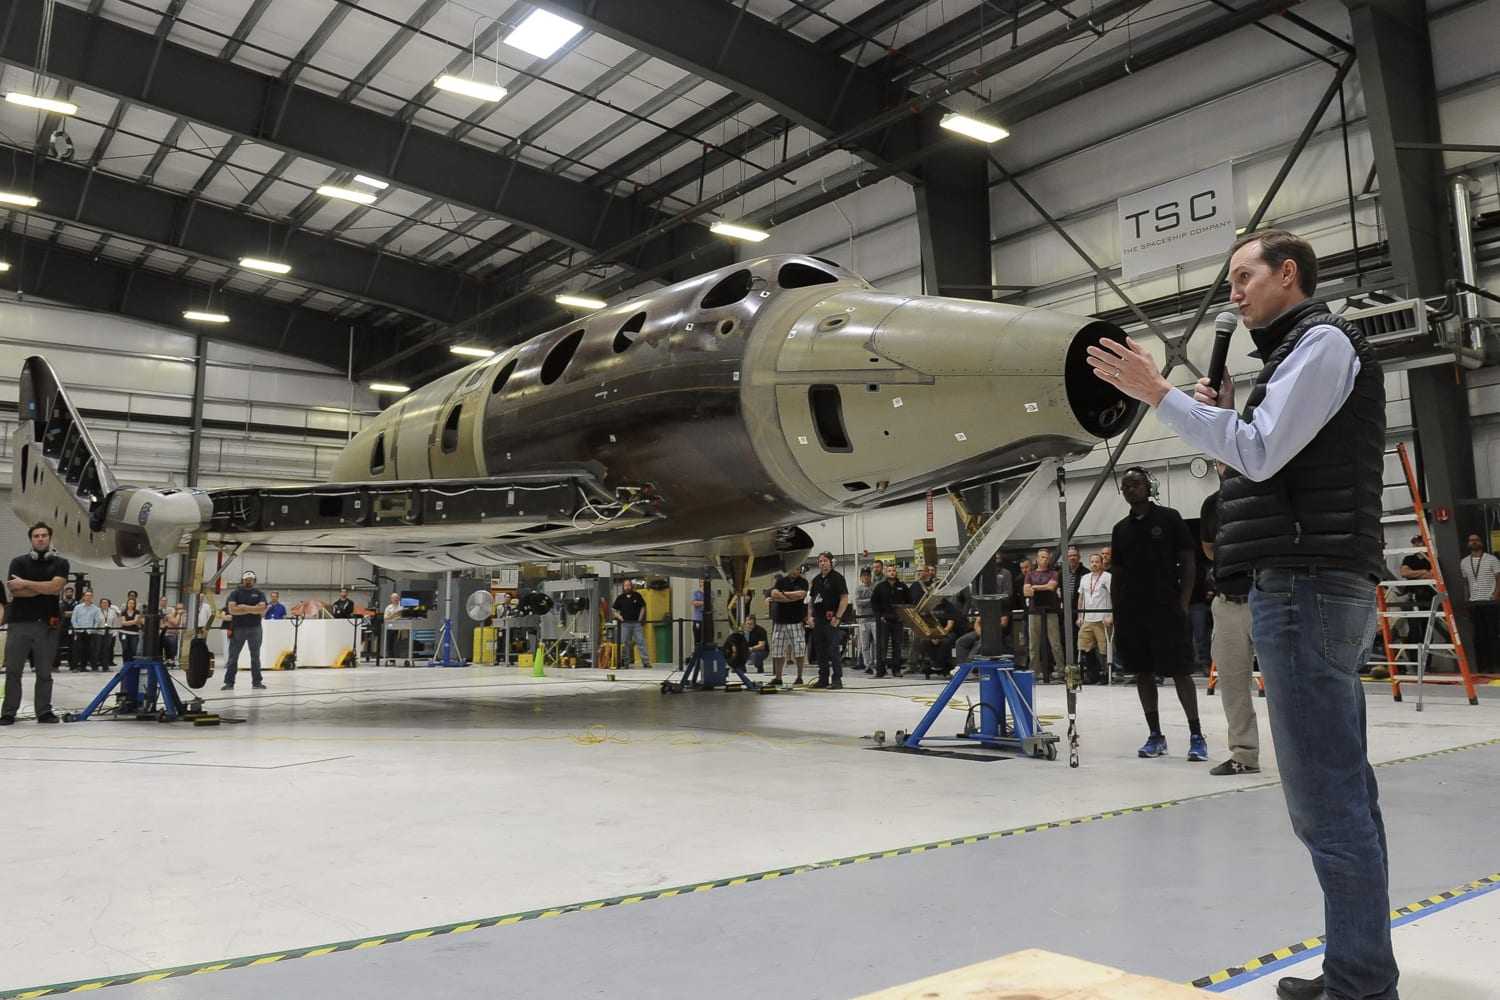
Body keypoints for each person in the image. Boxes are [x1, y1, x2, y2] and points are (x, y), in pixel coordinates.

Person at [1089, 228, 1395, 1000]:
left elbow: (1258, 454)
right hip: (1307, 585)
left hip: (1306, 588)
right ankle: (1359, 971)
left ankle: (1361, 987)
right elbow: (1265, 460)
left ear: (1288, 275)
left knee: (1326, 801)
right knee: (1342, 792)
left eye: (1243, 277)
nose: (1234, 293)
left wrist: (1159, 395)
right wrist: (1221, 418)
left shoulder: (1321, 345)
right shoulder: (1297, 356)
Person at [1108, 469, 1205, 760]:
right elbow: (1117, 574)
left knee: (1180, 671)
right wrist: (1118, 611)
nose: (1130, 489)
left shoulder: (1170, 518)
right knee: (1143, 672)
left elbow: (1188, 562)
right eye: (1125, 486)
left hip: (1167, 608)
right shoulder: (1120, 529)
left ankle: (1196, 736)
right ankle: (1155, 735)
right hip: (1133, 612)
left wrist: (1183, 602)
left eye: (1135, 484)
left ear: (1148, 487)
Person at [1201, 464, 1260, 776]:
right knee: (1233, 684)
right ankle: (1244, 754)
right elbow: (1209, 548)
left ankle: (1300, 756)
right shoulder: (1212, 504)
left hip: (1264, 597)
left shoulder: (1265, 493)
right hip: (1226, 602)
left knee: (1285, 684)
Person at [1, 523, 69, 724]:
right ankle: (8, 712)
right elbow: (15, 591)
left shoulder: (61, 563)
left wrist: (26, 583)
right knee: (13, 671)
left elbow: (56, 587)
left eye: (44, 535)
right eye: (36, 536)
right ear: (31, 539)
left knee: (45, 672)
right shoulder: (18, 562)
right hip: (19, 624)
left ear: (50, 538)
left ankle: (44, 711)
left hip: (47, 625)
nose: (40, 539)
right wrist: (45, 588)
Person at [807, 552, 850, 689]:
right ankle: (823, 679)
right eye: (820, 561)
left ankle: (837, 679)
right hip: (818, 619)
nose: (822, 563)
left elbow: (844, 598)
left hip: (832, 619)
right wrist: (810, 616)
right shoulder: (816, 580)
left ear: (831, 562)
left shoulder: (838, 578)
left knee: (833, 650)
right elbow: (811, 600)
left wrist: (838, 617)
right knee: (820, 651)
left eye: (825, 560)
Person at [1459, 532, 1500, 672]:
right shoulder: (1464, 562)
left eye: (1476, 540)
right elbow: (1465, 583)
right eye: (1471, 540)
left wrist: (1496, 595)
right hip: (1474, 603)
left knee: (1492, 634)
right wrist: (1466, 599)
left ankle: (1496, 665)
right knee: (1478, 636)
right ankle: (1482, 667)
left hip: (1489, 602)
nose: (1474, 542)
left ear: (1481, 542)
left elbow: (1499, 578)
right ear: (1468, 544)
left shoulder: (1492, 559)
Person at [223, 570, 269, 690]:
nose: (248, 582)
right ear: (242, 580)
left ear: (254, 581)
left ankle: (257, 682)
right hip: (238, 628)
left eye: (250, 580)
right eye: (246, 580)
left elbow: (262, 609)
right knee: (233, 657)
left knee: (255, 656)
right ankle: (229, 683)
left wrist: (243, 607)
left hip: (255, 628)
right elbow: (232, 610)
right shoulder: (235, 593)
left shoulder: (259, 593)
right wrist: (253, 609)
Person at [1024, 549, 1065, 683]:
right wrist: (1042, 587)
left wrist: (1035, 588)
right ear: (1037, 559)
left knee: (1055, 642)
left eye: (1047, 558)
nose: (1045, 560)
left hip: (1051, 610)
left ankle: (1061, 671)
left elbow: (1051, 587)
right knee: (1033, 643)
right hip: (1034, 611)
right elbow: (1026, 592)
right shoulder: (1030, 574)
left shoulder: (1054, 573)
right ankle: (1034, 672)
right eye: (1042, 557)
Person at [766, 565, 809, 687]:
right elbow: (774, 594)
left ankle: (799, 677)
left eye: (797, 569)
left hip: (796, 622)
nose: (795, 571)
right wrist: (791, 598)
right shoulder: (781, 581)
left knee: (799, 650)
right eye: (793, 568)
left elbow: (801, 594)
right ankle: (778, 677)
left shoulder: (803, 582)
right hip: (780, 622)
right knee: (778, 651)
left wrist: (783, 594)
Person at [1077, 552, 1112, 685]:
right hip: (1087, 618)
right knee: (1084, 646)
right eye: (1092, 562)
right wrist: (1080, 616)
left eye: (1097, 562)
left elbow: (1113, 595)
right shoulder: (1085, 578)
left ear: (1102, 563)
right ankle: (1092, 674)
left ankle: (1105, 674)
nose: (1094, 564)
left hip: (1102, 618)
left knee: (1103, 648)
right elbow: (1081, 598)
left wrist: (1111, 615)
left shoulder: (1107, 577)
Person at [869, 564, 910, 678]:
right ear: (886, 573)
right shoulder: (880, 587)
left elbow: (909, 602)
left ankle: (896, 670)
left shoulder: (902, 586)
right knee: (882, 646)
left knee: (897, 646)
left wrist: (903, 616)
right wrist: (880, 616)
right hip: (884, 621)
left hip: (898, 621)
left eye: (893, 570)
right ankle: (880, 670)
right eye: (889, 571)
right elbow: (874, 602)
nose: (892, 572)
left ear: (896, 572)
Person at [612, 578, 647, 668]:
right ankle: (626, 662)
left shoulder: (637, 595)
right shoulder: (620, 598)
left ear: (631, 586)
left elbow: (643, 607)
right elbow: (614, 610)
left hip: (636, 624)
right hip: (625, 624)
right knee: (625, 643)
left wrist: (640, 618)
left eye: (628, 585)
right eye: (625, 585)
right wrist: (620, 617)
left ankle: (646, 662)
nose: (627, 587)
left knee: (641, 642)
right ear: (623, 587)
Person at [70, 590, 102, 672]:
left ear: (92, 597)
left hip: (89, 632)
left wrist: (92, 630)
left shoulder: (96, 609)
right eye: (87, 595)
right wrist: (77, 629)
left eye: (90, 596)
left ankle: (83, 667)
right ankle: (74, 667)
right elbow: (73, 619)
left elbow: (97, 621)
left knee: (88, 650)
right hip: (79, 631)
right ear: (84, 597)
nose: (88, 597)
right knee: (77, 649)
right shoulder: (78, 607)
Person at [852, 567, 877, 673]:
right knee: (864, 644)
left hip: (875, 619)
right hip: (863, 620)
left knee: (876, 643)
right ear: (861, 578)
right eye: (864, 575)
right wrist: (870, 600)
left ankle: (876, 663)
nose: (866, 577)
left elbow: (877, 601)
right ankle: (868, 665)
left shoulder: (875, 587)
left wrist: (866, 601)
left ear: (871, 577)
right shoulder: (858, 589)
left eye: (868, 575)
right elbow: (858, 602)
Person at [1011, 557, 1032, 666]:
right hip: (1024, 613)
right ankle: (1025, 662)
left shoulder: (1036, 577)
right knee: (1024, 639)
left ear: (1031, 566)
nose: (1024, 570)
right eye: (1022, 568)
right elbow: (1016, 598)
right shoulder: (1018, 580)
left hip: (1036, 611)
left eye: (1026, 567)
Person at [119, 596, 143, 661]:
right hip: (124, 633)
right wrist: (132, 622)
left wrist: (128, 622)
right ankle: (125, 663)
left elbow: (136, 621)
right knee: (125, 648)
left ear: (135, 604)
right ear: (127, 604)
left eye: (133, 603)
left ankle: (132, 663)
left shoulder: (137, 612)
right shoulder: (123, 612)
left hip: (134, 633)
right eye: (129, 603)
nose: (131, 604)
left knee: (133, 649)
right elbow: (123, 623)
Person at [98, 597, 120, 666]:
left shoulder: (112, 612)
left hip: (109, 632)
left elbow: (115, 622)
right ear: (100, 604)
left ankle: (106, 664)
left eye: (106, 603)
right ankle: (98, 662)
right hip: (99, 632)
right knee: (99, 648)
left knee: (107, 648)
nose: (104, 604)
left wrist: (114, 632)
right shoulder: (97, 611)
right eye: (103, 603)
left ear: (108, 604)